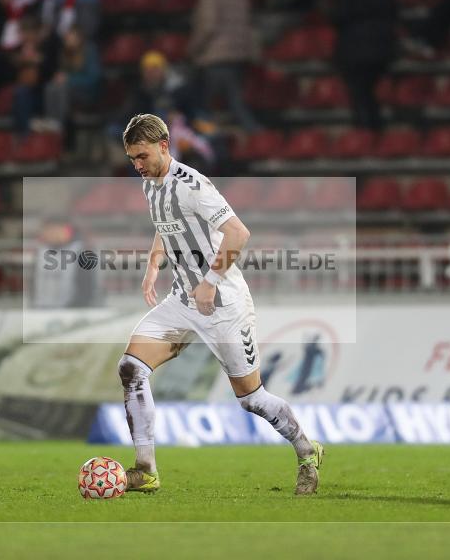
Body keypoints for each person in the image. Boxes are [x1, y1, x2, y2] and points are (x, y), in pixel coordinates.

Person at [117, 114, 324, 494]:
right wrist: (152, 266)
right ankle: (145, 470)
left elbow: (238, 233)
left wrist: (211, 281)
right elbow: (166, 228)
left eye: (142, 156)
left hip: (224, 304)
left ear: (164, 147)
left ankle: (307, 450)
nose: (137, 166)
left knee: (252, 399)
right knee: (131, 368)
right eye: (132, 159)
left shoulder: (193, 185)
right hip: (182, 300)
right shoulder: (150, 186)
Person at [188, 0, 261, 132]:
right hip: (238, 55)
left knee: (210, 107)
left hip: (216, 56)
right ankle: (256, 135)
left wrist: (192, 49)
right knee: (235, 102)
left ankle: (255, 135)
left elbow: (208, 25)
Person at [331, 0, 397, 131]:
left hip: (356, 47)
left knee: (360, 93)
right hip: (382, 45)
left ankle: (366, 133)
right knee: (368, 92)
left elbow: (340, 15)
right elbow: (393, 10)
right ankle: (374, 132)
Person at [42, 25, 101, 130]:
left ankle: (59, 124)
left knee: (62, 88)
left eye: (70, 37)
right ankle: (50, 120)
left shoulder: (89, 51)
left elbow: (93, 79)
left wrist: (69, 79)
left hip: (87, 92)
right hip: (70, 89)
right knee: (50, 87)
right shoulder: (65, 52)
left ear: (78, 38)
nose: (67, 40)